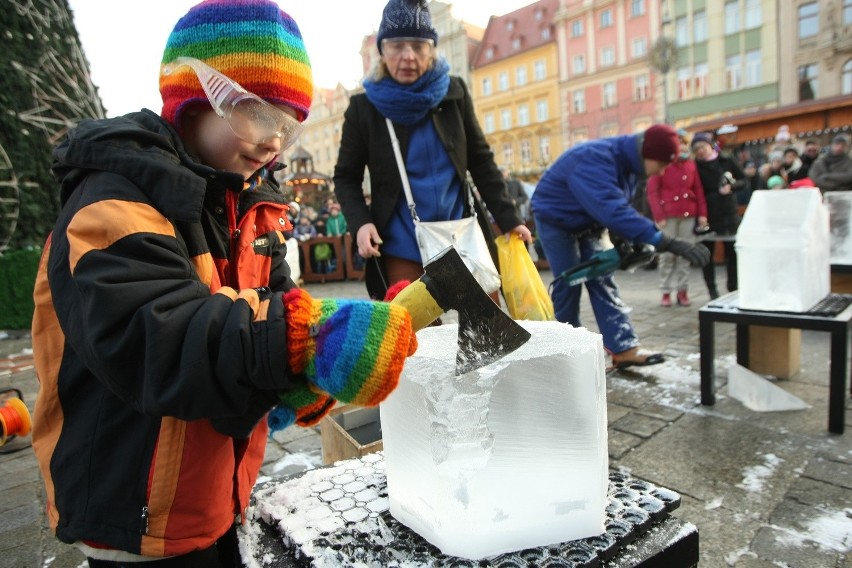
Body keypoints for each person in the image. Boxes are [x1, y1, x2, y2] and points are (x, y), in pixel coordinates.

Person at [30, 2, 416, 566]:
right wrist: (302, 342)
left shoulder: (250, 208)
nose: (275, 143)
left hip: (216, 491)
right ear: (194, 98)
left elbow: (279, 303)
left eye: (288, 125)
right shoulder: (114, 203)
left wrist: (307, 374)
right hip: (133, 504)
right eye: (260, 115)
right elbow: (160, 337)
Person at [333, 0, 532, 300]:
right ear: (382, 51)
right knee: (415, 341)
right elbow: (346, 177)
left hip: (462, 236)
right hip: (402, 244)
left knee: (488, 339)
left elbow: (481, 161)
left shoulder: (454, 92)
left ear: (432, 49)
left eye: (419, 45)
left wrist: (510, 219)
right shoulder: (363, 108)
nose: (408, 56)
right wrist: (361, 224)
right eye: (397, 46)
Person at [530, 124, 710, 370]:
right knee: (568, 282)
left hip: (590, 221)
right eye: (662, 164)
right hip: (556, 220)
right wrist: (667, 242)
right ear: (648, 154)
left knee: (602, 278)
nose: (664, 170)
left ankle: (623, 348)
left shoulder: (630, 165)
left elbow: (620, 206)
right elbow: (612, 209)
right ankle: (566, 352)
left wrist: (627, 241)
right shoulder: (594, 159)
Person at [646, 129, 708, 308]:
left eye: (683, 142)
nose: (681, 145)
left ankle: (683, 291)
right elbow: (653, 191)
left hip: (688, 214)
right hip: (668, 216)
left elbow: (698, 190)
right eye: (678, 142)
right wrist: (659, 215)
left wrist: (702, 214)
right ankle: (666, 291)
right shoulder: (663, 163)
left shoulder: (691, 164)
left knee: (685, 254)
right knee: (667, 254)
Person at [691, 131, 746, 299]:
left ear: (710, 146)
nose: (700, 151)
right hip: (707, 214)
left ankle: (733, 286)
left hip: (728, 212)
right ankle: (712, 290)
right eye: (697, 148)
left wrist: (732, 187)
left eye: (703, 147)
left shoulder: (726, 160)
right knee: (708, 254)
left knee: (732, 252)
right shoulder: (694, 166)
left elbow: (743, 180)